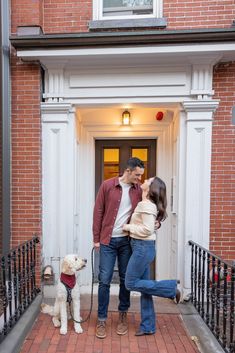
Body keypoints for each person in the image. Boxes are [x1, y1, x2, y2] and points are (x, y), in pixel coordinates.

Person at [93, 157, 145, 339]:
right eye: (137, 175)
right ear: (128, 171)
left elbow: (147, 208)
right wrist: (96, 239)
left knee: (125, 279)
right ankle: (101, 319)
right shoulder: (108, 185)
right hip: (107, 241)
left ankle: (123, 315)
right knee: (104, 281)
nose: (139, 178)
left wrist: (155, 221)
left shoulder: (139, 190)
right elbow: (98, 211)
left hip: (126, 242)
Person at [123, 176, 180, 336]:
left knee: (130, 283)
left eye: (149, 179)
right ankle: (148, 326)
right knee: (145, 288)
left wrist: (128, 227)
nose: (145, 179)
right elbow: (149, 226)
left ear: (151, 187)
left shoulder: (146, 205)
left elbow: (147, 230)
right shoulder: (146, 204)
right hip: (142, 248)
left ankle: (170, 288)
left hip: (142, 248)